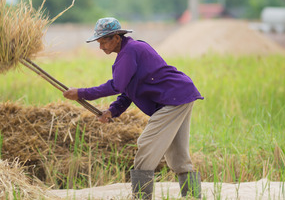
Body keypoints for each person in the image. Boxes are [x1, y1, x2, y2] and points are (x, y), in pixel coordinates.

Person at [63, 17, 203, 199]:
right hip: (180, 94)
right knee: (178, 155)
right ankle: (193, 196)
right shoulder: (130, 51)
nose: (101, 47)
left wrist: (81, 93)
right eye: (99, 42)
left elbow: (117, 85)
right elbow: (128, 90)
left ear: (116, 38)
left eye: (104, 41)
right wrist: (113, 111)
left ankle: (141, 197)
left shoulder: (130, 52)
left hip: (173, 98)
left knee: (145, 146)